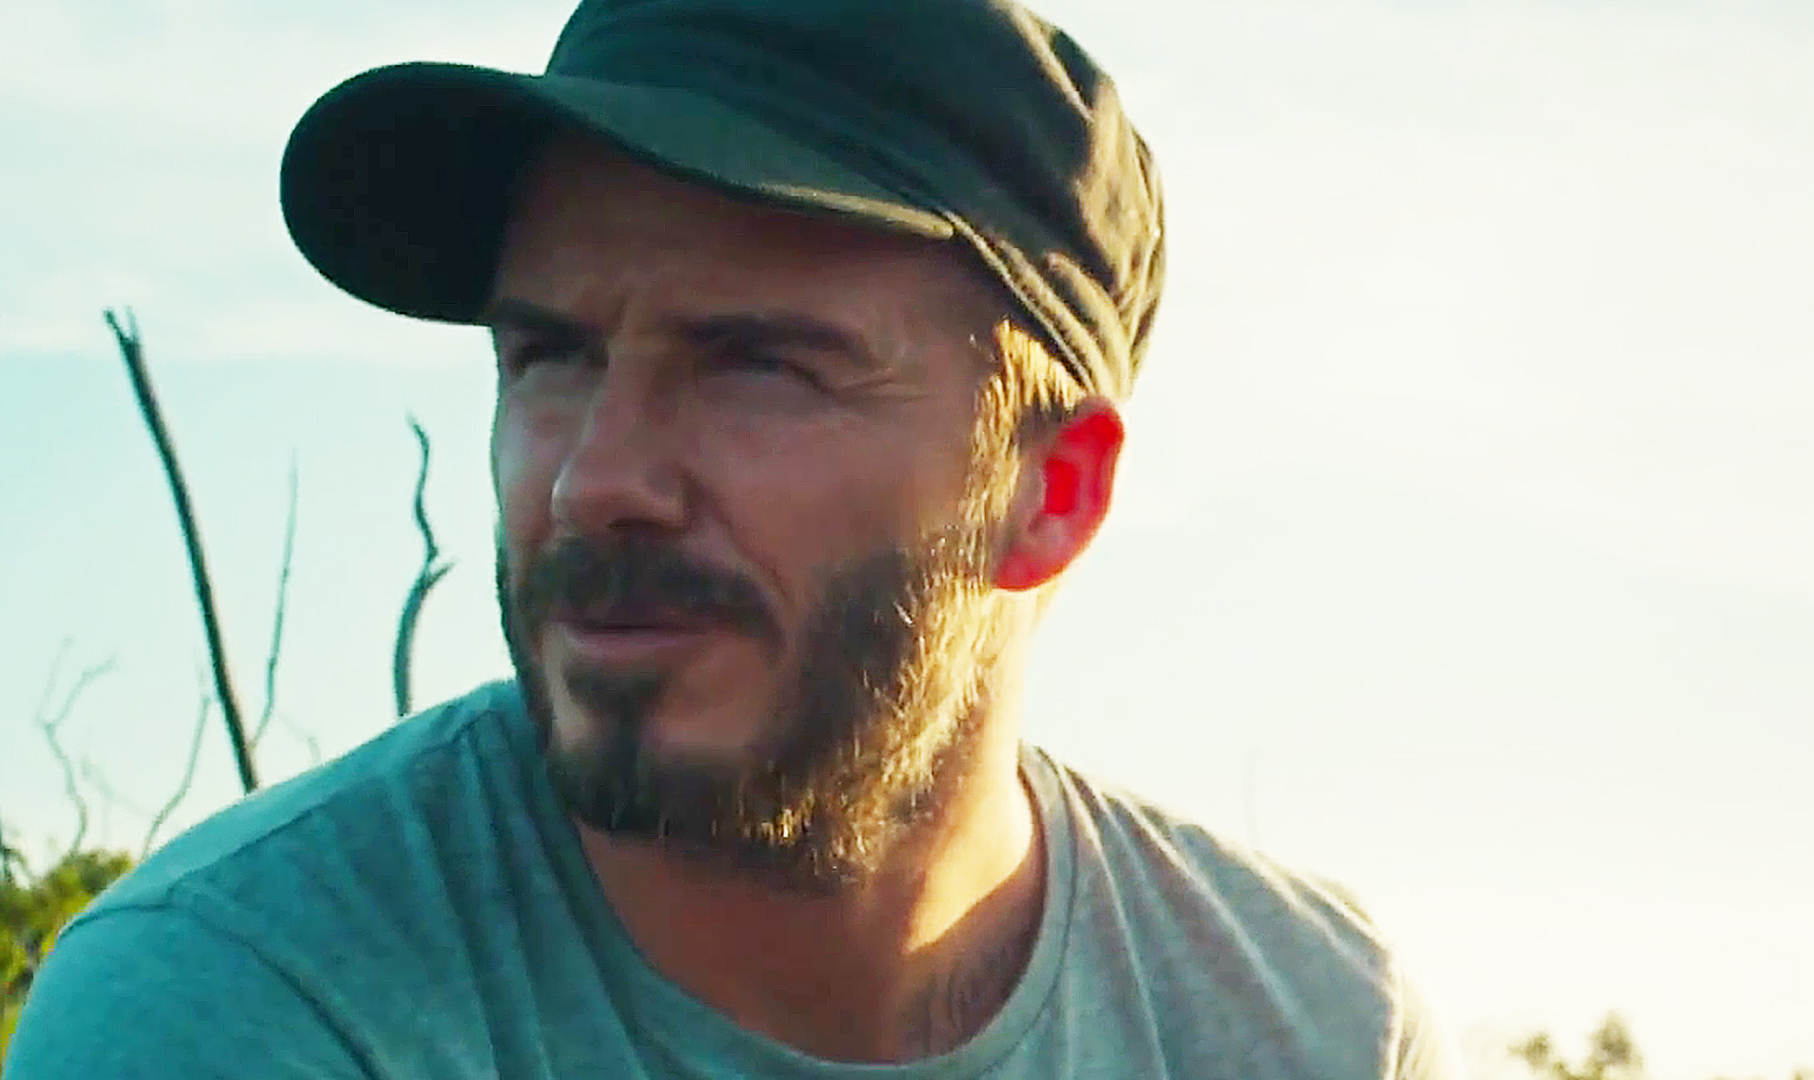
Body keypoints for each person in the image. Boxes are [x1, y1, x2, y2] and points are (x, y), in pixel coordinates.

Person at [6, 0, 1460, 1076]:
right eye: (550, 356)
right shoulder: (244, 1006)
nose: (595, 482)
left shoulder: (1314, 1033)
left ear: (1053, 491)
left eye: (759, 363)